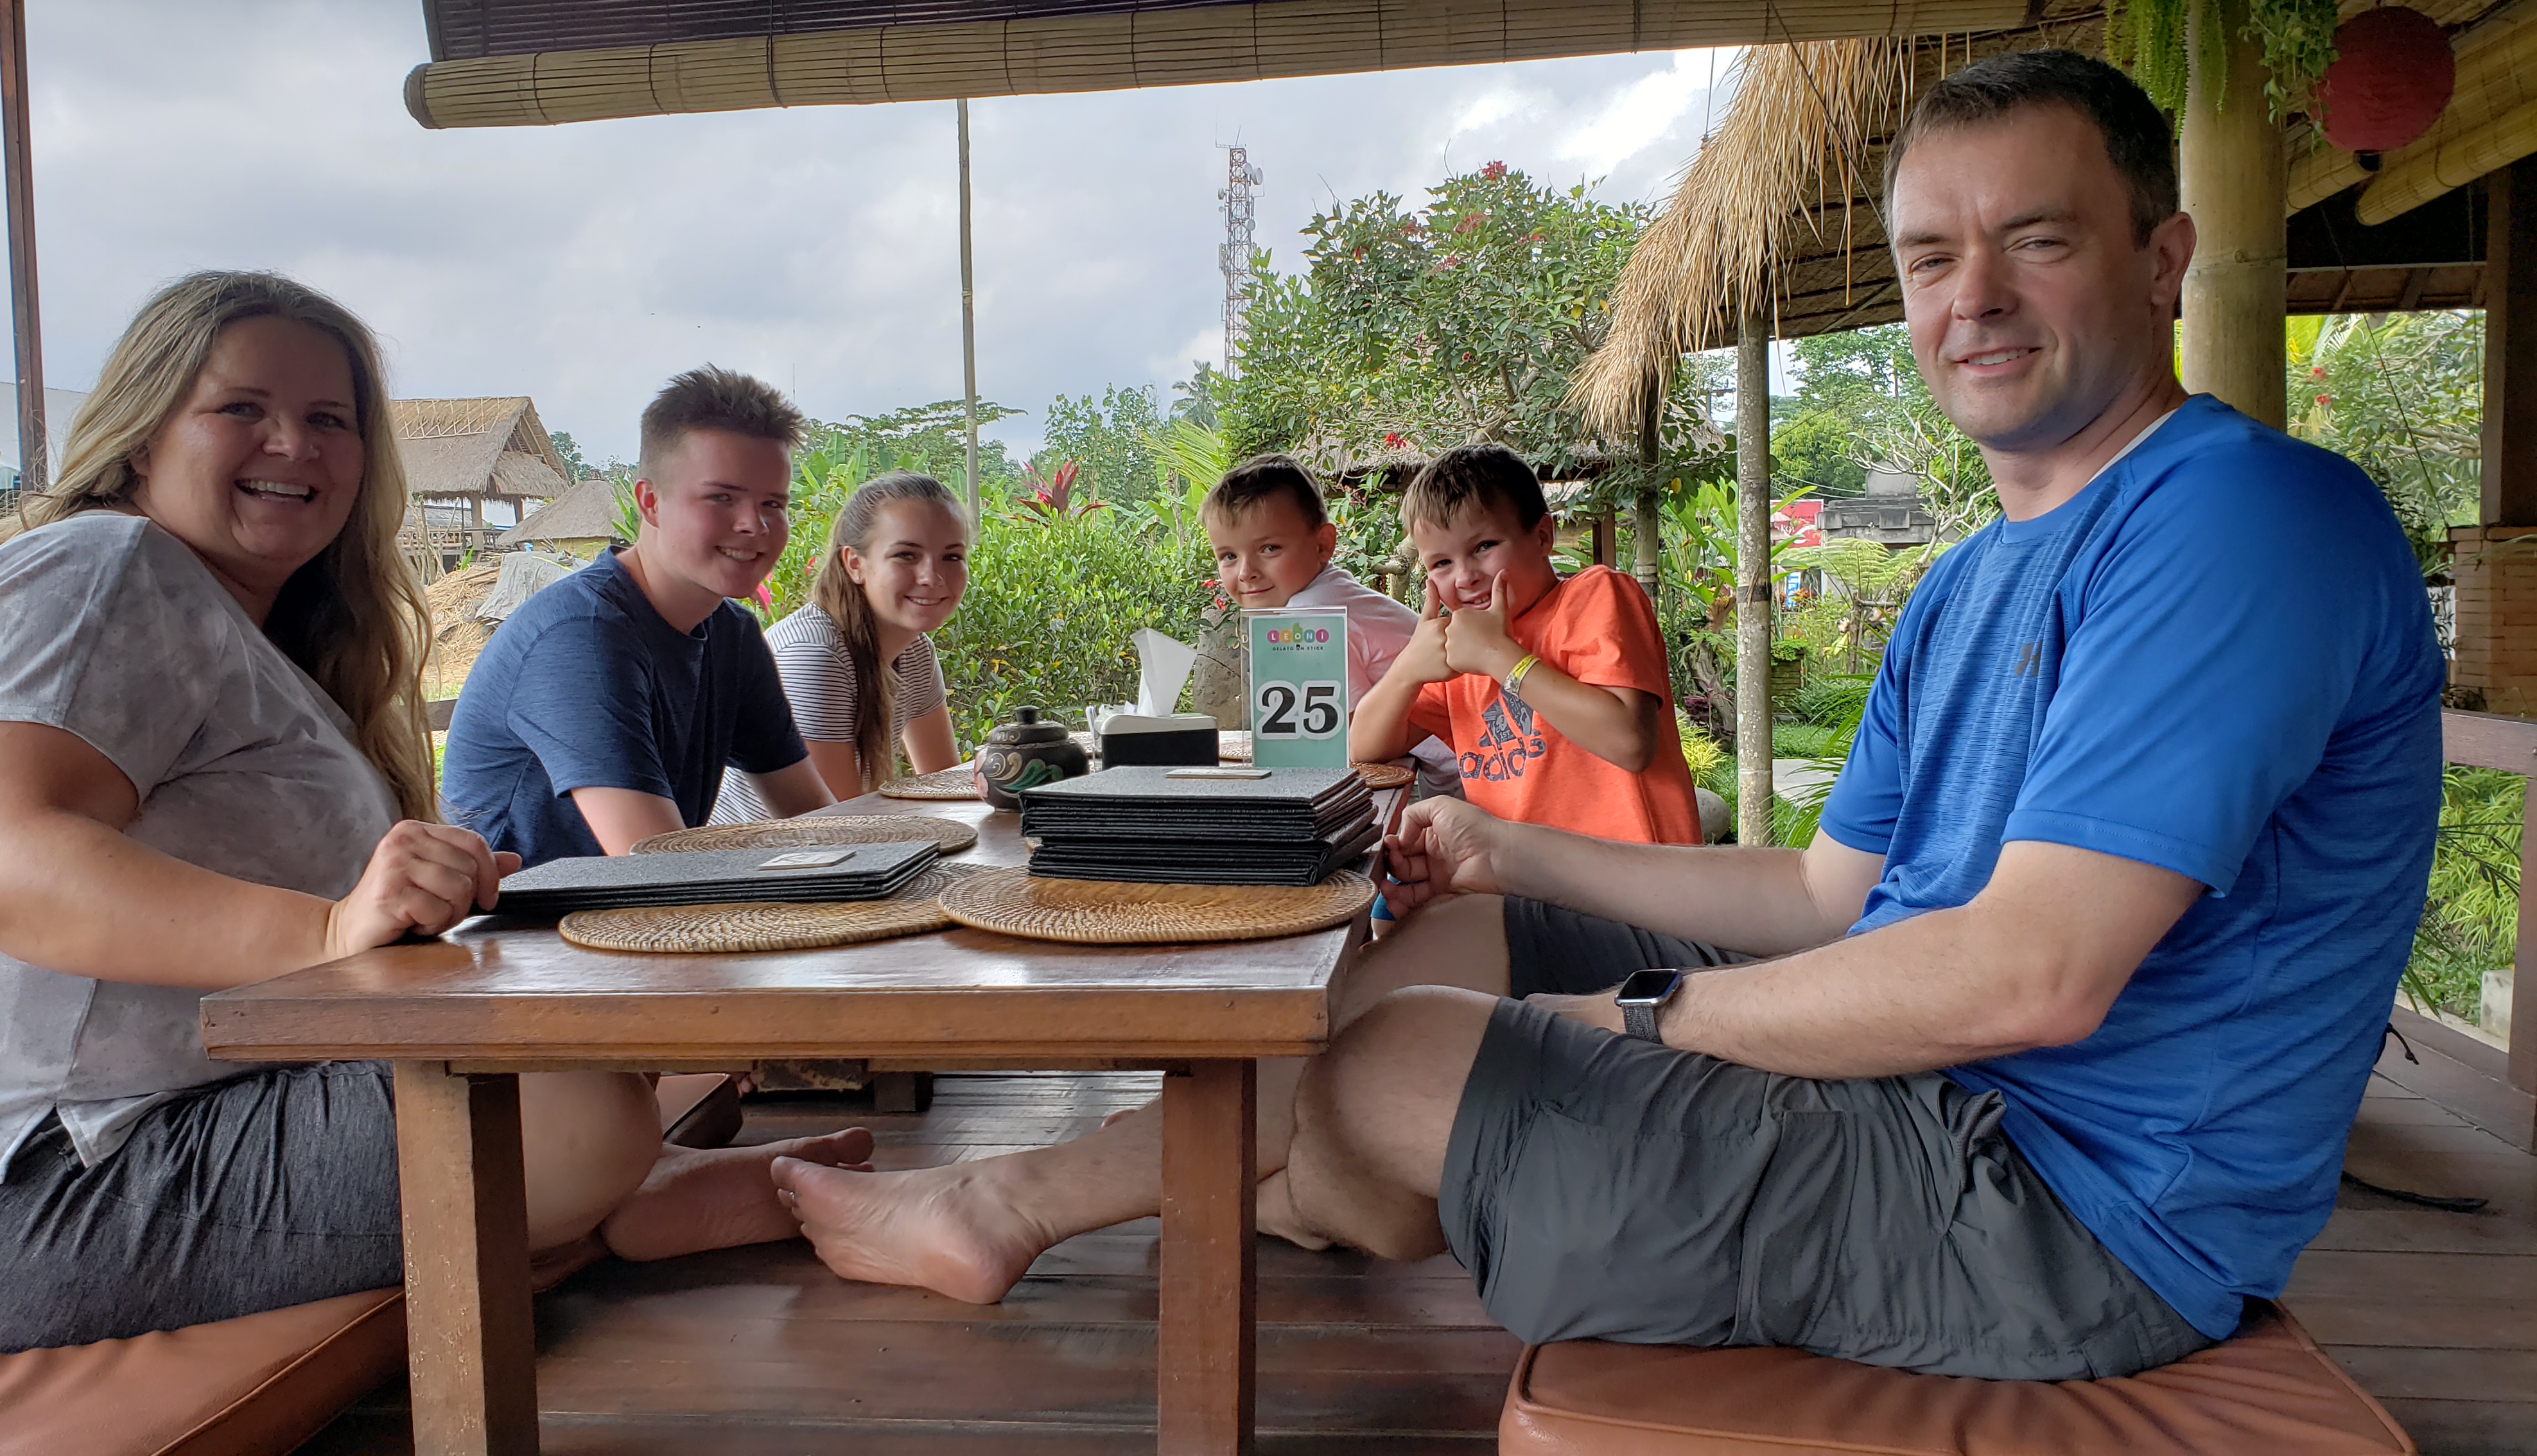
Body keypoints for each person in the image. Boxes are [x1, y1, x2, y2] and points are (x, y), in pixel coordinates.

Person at [767, 49, 2443, 1382]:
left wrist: (1633, 1025)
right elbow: (1817, 897)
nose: (1972, 294)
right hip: (1943, 1085)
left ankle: (1085, 1198)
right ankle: (1152, 1195)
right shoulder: (1970, 582)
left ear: (2164, 261)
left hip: (2060, 1204)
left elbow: (2032, 972)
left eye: (2041, 238)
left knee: (1389, 1068)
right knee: (1402, 964)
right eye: (1936, 252)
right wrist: (1501, 846)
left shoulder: (2238, 520)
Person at [0, 272, 871, 1355]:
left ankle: (645, 1196)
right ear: (144, 435)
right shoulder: (105, 564)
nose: (293, 445)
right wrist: (326, 931)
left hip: (199, 1115)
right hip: (51, 1179)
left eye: (328, 419)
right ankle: (633, 1197)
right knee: (568, 1109)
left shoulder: (267, 637)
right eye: (241, 408)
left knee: (579, 1088)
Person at [443, 367, 833, 863]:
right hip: (518, 931)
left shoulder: (731, 634)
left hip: (636, 921)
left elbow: (817, 824)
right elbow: (658, 866)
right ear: (650, 502)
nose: (753, 526)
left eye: (772, 503)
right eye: (722, 497)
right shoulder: (582, 636)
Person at [1348, 442, 1700, 845]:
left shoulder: (1595, 597)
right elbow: (1365, 749)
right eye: (1441, 563)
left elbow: (1631, 744)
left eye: (1484, 547)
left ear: (1542, 536)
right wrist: (1406, 671)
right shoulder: (1461, 651)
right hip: (1528, 879)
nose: (1465, 577)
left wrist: (1499, 657)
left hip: (1638, 883)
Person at [713, 472, 970, 819]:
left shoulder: (914, 652)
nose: (932, 576)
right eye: (906, 555)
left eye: (952, 557)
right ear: (855, 564)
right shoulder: (816, 656)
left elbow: (945, 791)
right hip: (760, 865)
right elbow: (842, 826)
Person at [1200, 453, 1459, 796]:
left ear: (1323, 546)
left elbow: (1344, 739)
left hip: (1471, 769)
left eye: (1269, 548)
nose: (1246, 571)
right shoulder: (1330, 592)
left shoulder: (1311, 616)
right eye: (1228, 556)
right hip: (1454, 762)